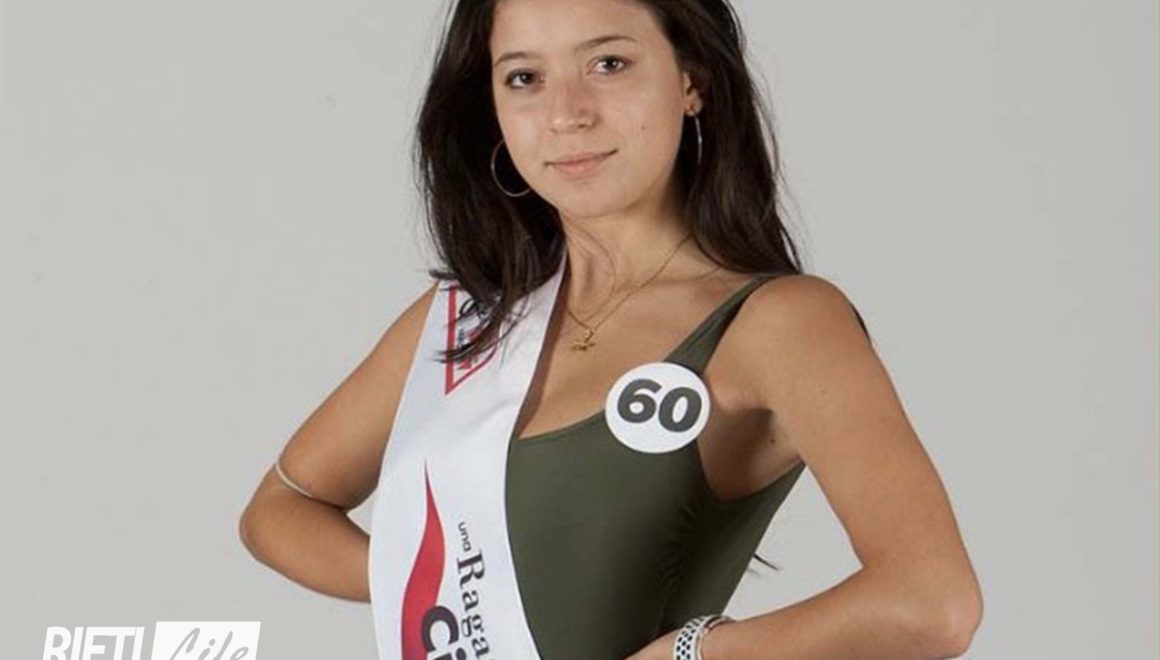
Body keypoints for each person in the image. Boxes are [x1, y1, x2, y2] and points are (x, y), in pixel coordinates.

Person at [239, 0, 984, 658]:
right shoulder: (467, 321)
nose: (567, 113)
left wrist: (693, 654)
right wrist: (442, 588)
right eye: (524, 77)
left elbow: (932, 604)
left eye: (608, 64)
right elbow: (278, 512)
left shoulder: (779, 323)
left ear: (692, 81)